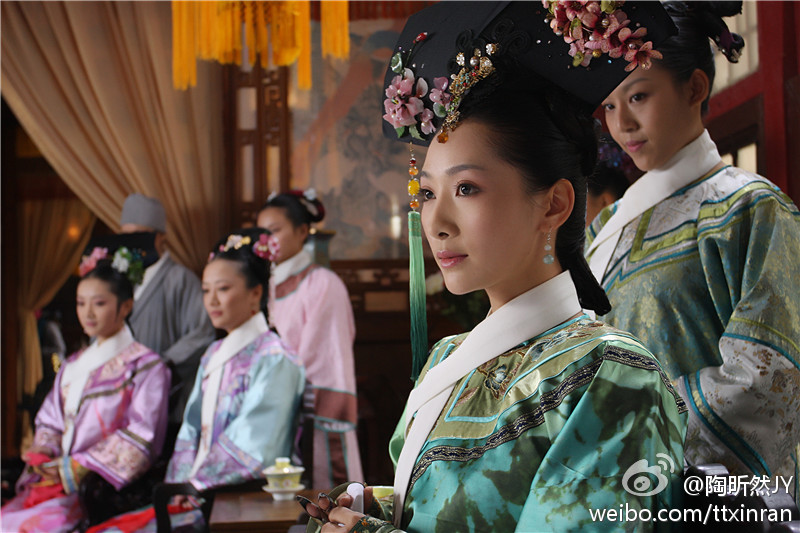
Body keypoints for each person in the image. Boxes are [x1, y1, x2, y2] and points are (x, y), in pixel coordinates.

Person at [306, 2, 685, 531]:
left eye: (466, 188)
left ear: (553, 204)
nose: (436, 222)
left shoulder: (611, 376)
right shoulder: (449, 358)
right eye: (428, 192)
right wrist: (377, 506)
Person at [587, 1, 800, 483]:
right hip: (611, 495)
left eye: (638, 97)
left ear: (695, 88)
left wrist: (622, 436)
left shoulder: (750, 209)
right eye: (610, 106)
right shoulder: (603, 231)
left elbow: (766, 381)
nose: (621, 124)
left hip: (715, 496)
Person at [89, 227, 305, 532]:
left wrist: (194, 484)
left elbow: (258, 445)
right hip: (196, 497)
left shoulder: (275, 357)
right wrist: (180, 485)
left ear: (256, 292)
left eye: (223, 289)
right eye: (205, 290)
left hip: (241, 501)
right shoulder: (213, 353)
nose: (212, 301)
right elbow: (190, 433)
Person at [0, 247, 170, 533]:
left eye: (99, 303)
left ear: (126, 306)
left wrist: (77, 468)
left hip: (99, 487)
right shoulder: (72, 366)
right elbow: (50, 421)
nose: (87, 313)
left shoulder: (145, 366)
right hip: (58, 484)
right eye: (80, 303)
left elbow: (142, 435)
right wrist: (44, 455)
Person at [257, 191, 363, 487]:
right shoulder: (262, 286)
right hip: (272, 412)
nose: (267, 240)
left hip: (311, 414)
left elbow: (327, 356)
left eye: (275, 231)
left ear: (302, 231)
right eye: (262, 233)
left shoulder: (323, 284)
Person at [118, 193, 216, 429]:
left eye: (140, 236)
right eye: (126, 236)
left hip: (166, 400)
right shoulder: (119, 279)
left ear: (161, 238)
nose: (133, 244)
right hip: (120, 399)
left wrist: (159, 365)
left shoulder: (181, 279)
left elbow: (202, 333)